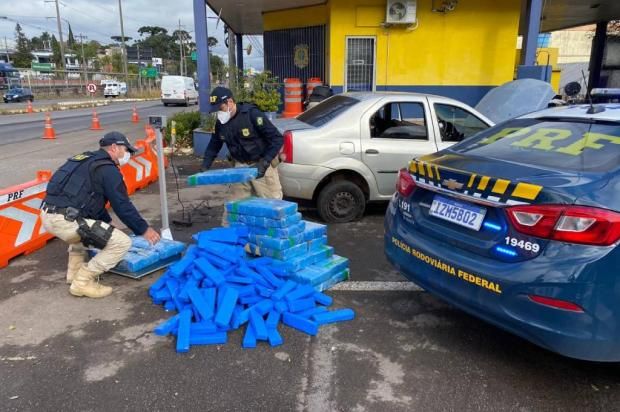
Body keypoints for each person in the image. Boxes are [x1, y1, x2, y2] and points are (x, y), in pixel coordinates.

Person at [41, 132, 161, 298]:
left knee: (86, 231)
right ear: (114, 147)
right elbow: (122, 205)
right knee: (121, 243)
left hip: (47, 215)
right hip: (66, 221)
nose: (129, 155)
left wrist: (107, 221)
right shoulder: (108, 169)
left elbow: (87, 198)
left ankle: (73, 274)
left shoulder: (84, 159)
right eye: (126, 150)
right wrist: (144, 229)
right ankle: (82, 281)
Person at [201, 87, 284, 224]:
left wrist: (265, 162)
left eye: (220, 108)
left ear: (230, 102)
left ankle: (270, 241)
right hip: (240, 167)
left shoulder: (252, 115)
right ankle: (228, 241)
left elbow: (277, 139)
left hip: (261, 165)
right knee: (233, 209)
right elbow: (214, 144)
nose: (219, 113)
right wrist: (205, 164)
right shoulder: (221, 123)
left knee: (271, 208)